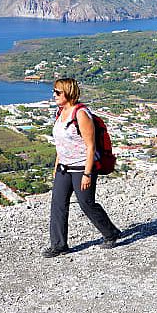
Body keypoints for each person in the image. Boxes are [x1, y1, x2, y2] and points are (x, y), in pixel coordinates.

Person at [42, 77, 121, 258]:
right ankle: (59, 245)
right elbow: (60, 145)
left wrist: (87, 173)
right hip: (64, 167)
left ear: (68, 92)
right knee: (58, 205)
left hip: (81, 167)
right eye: (54, 91)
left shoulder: (81, 114)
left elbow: (90, 146)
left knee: (86, 203)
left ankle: (111, 233)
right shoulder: (59, 112)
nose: (53, 95)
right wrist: (56, 166)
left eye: (57, 92)